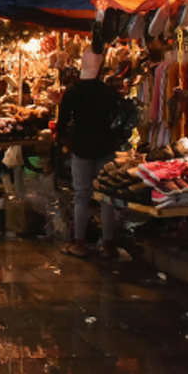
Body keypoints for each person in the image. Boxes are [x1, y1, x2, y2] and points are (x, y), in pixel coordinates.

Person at [57, 48, 122, 258]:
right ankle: (108, 245)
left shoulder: (72, 93)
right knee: (106, 196)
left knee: (81, 196)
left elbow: (62, 125)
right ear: (100, 68)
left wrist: (69, 144)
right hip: (106, 148)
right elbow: (120, 120)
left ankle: (80, 244)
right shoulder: (109, 93)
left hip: (81, 149)